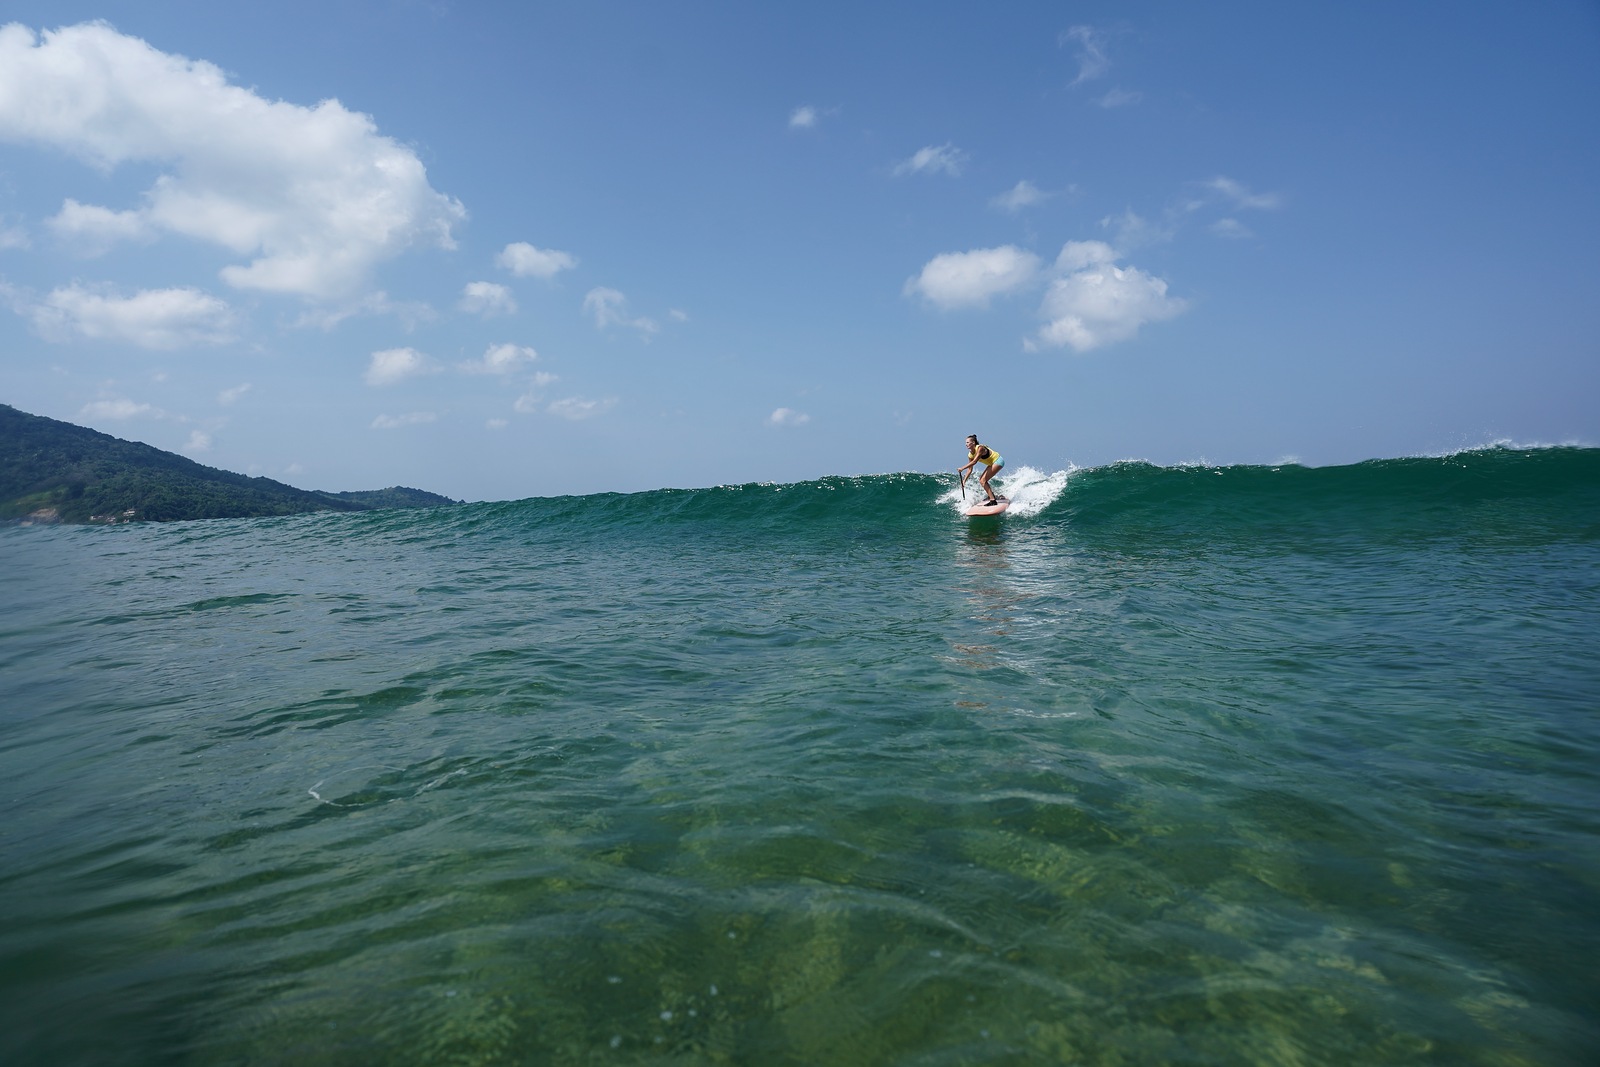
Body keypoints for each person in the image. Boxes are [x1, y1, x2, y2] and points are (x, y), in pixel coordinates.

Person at [958, 434, 1004, 506]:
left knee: (982, 480)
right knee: (982, 480)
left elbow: (974, 462)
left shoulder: (980, 448)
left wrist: (962, 468)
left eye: (967, 442)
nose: (966, 444)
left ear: (973, 442)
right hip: (991, 463)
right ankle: (992, 496)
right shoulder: (970, 455)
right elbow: (970, 469)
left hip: (998, 461)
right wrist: (964, 481)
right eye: (965, 442)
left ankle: (993, 500)